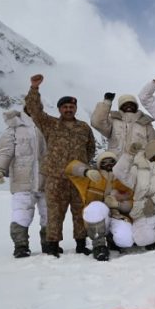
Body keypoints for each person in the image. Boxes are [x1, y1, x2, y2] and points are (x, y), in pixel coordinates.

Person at [24, 74, 96, 257]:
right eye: (65, 107)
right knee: (55, 212)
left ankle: (81, 243)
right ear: (59, 109)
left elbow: (90, 148)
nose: (68, 109)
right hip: (56, 177)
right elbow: (34, 110)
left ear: (76, 109)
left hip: (79, 177)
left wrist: (82, 165)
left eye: (72, 107)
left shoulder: (84, 127)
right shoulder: (50, 124)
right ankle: (53, 245)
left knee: (80, 211)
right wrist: (34, 88)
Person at [0, 108, 47, 258]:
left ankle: (49, 244)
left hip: (46, 180)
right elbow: (4, 151)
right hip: (23, 180)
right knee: (21, 214)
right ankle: (21, 246)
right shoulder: (14, 128)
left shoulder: (47, 125)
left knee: (49, 214)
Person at [65, 151, 134, 261]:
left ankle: (113, 240)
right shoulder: (92, 178)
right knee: (95, 207)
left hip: (117, 216)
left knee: (126, 240)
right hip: (96, 217)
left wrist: (118, 204)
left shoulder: (123, 180)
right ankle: (99, 245)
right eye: (104, 163)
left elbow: (132, 203)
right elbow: (70, 168)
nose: (108, 165)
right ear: (99, 165)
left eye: (112, 162)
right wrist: (86, 172)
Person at [91, 92, 155, 155]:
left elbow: (153, 147)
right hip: (116, 163)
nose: (129, 106)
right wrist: (107, 102)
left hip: (138, 164)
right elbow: (97, 123)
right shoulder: (113, 121)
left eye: (131, 104)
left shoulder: (146, 124)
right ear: (120, 107)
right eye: (125, 104)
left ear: (136, 106)